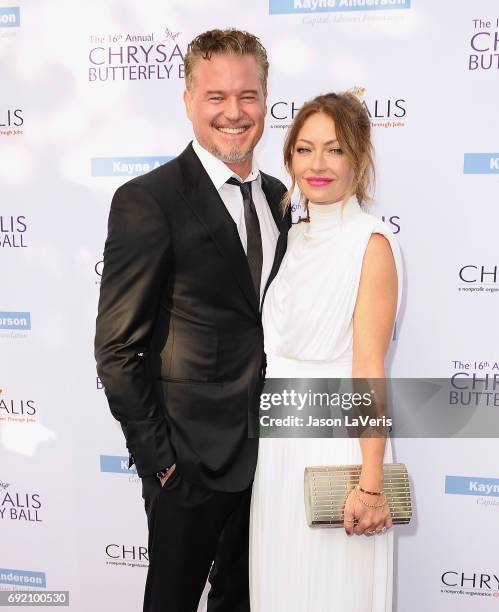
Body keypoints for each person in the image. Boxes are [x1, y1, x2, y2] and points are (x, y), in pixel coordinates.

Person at [94, 29, 290, 612]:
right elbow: (116, 348)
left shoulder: (280, 196)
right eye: (216, 96)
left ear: (265, 99)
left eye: (248, 95)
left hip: (270, 457)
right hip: (189, 463)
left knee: (244, 601)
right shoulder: (148, 200)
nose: (234, 112)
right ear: (187, 101)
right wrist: (162, 464)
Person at [250, 92, 402, 611]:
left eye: (334, 150)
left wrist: (372, 482)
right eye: (305, 149)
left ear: (358, 159)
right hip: (280, 450)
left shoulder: (371, 242)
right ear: (289, 156)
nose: (317, 164)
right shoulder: (292, 237)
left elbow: (367, 370)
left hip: (337, 448)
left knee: (333, 594)